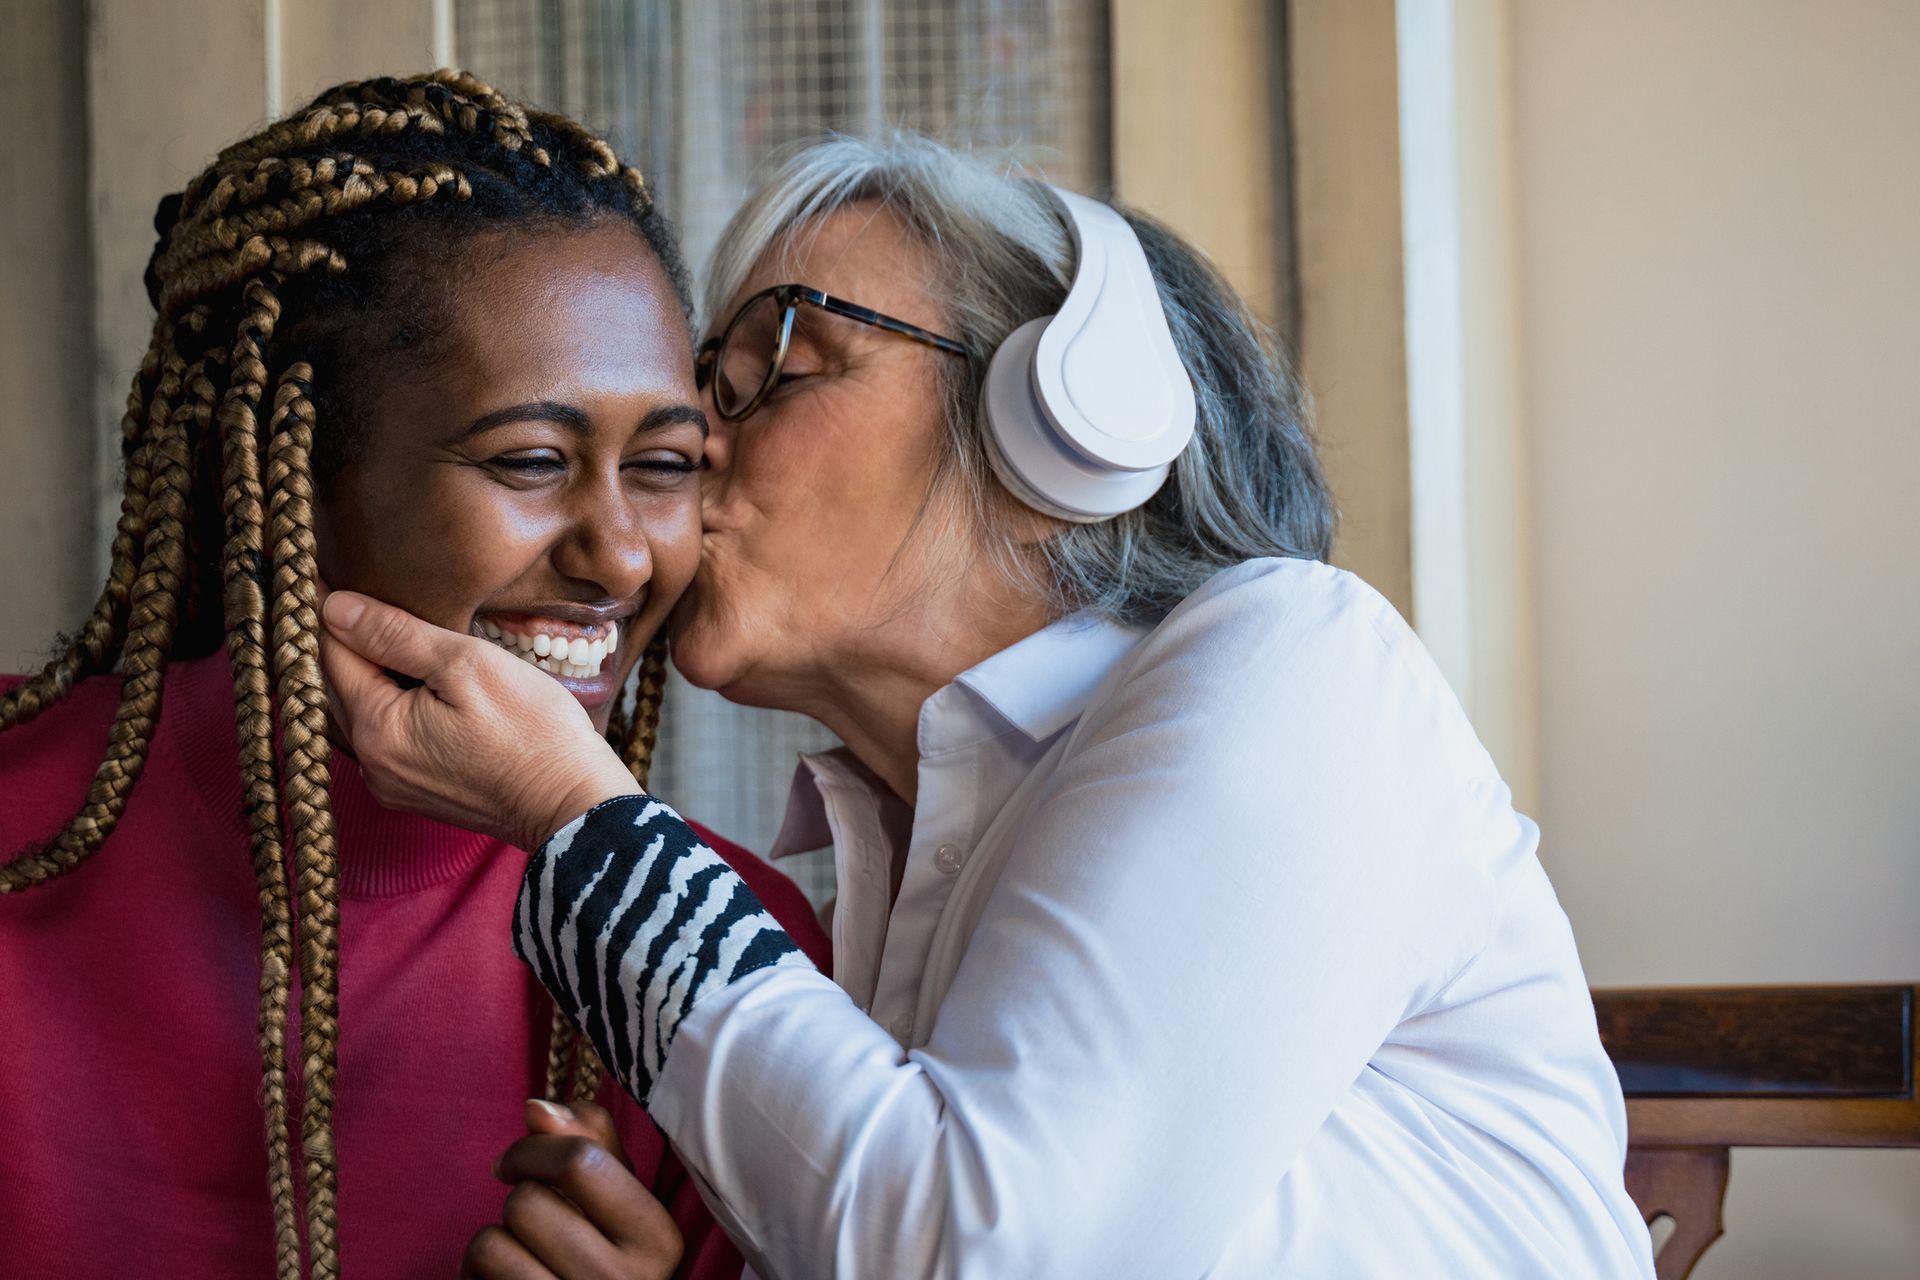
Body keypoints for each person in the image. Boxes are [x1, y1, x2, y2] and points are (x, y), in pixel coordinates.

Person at [323, 134, 1657, 1278]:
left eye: (774, 360)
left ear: (1062, 422)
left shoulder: (1300, 665)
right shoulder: (866, 908)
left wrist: (579, 819)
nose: (691, 448)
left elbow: (996, 1253)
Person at [0, 71, 827, 1280]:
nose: (620, 554)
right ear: (288, 478)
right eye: (534, 459)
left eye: (663, 463)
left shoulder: (728, 964)